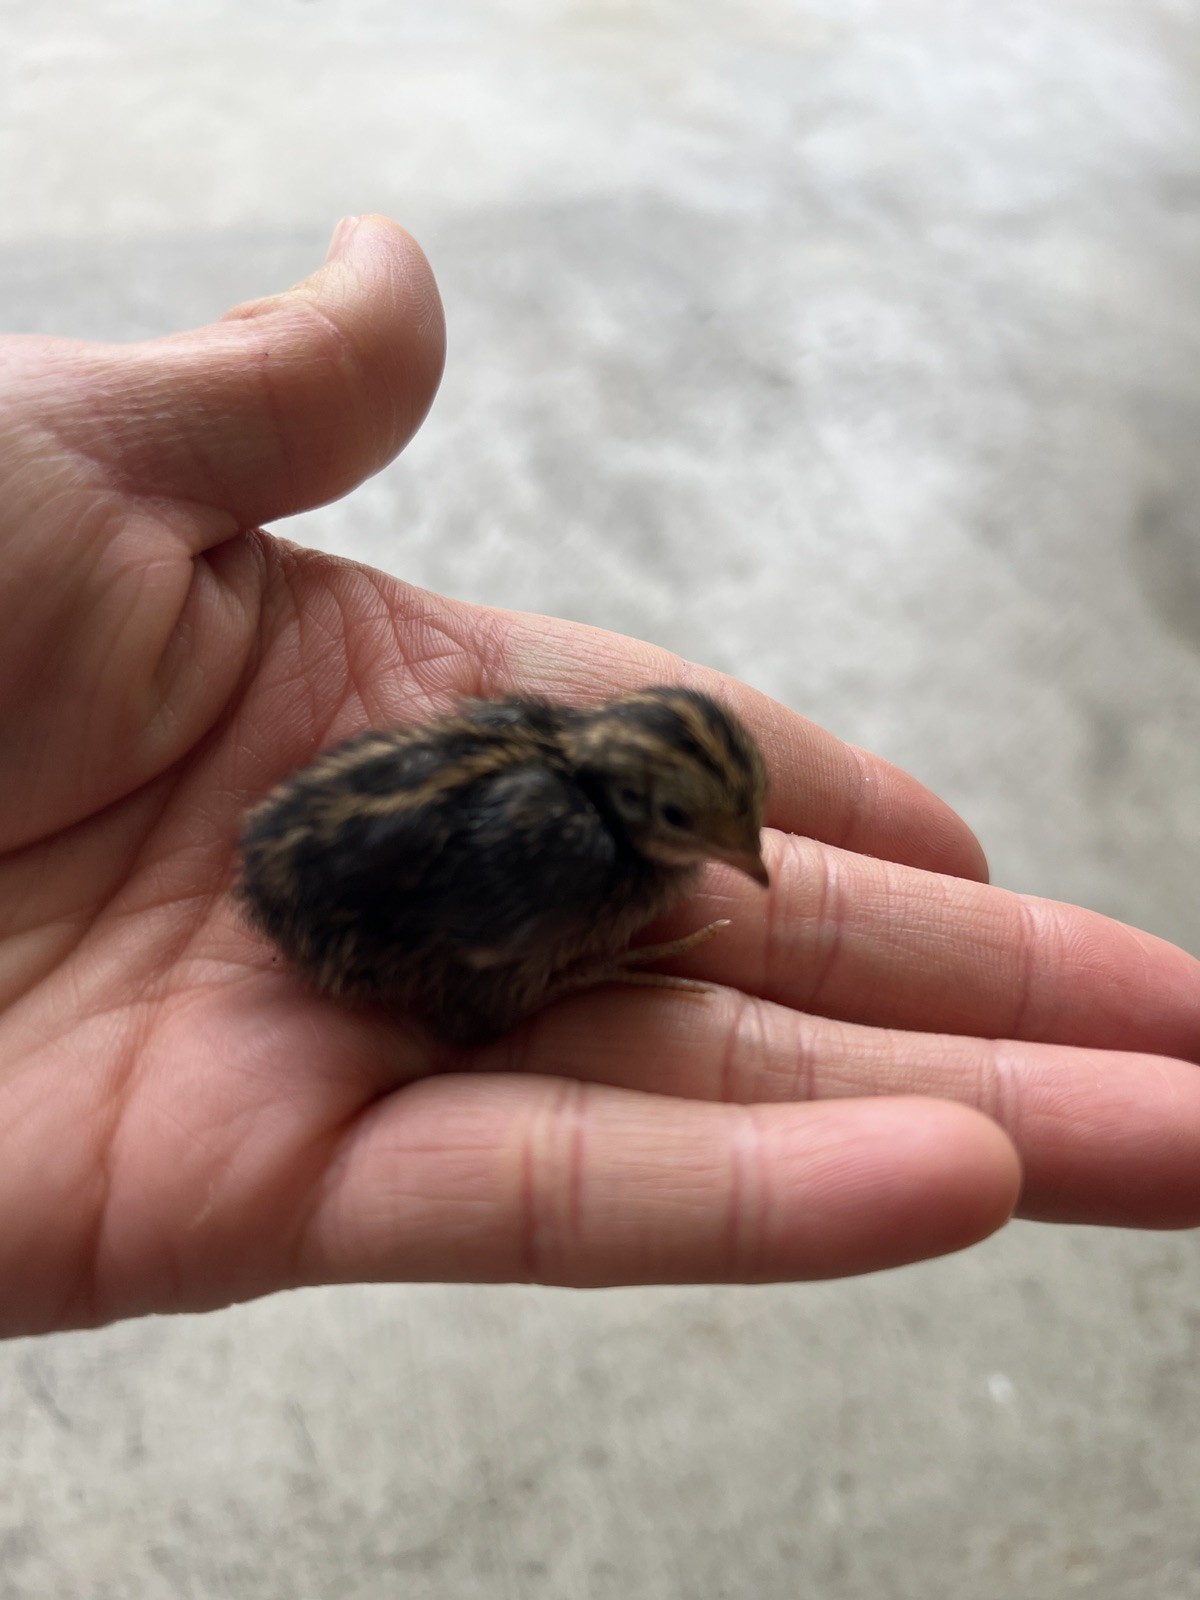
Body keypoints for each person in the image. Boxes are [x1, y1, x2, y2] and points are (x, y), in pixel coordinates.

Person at [1, 214, 1196, 1339]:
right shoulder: (572, 853)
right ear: (629, 798)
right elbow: (467, 935)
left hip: (309, 872)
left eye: (735, 827)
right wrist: (583, 958)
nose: (738, 860)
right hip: (341, 940)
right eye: (692, 823)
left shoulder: (552, 748)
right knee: (504, 955)